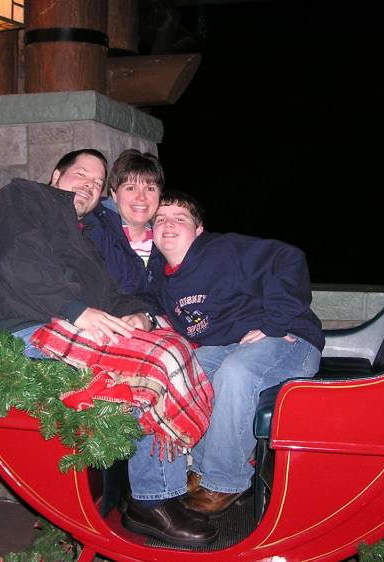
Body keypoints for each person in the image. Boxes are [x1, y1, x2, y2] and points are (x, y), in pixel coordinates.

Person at [0, 150, 217, 546]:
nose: (88, 184)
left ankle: (163, 493)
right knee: (151, 362)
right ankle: (150, 503)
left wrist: (139, 315)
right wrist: (77, 311)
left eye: (97, 182)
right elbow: (14, 258)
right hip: (19, 329)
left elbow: (107, 291)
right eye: (81, 174)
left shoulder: (76, 235)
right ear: (55, 175)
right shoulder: (22, 198)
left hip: (57, 321)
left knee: (171, 342)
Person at [152, 190, 325, 516]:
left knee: (237, 372)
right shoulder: (164, 279)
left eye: (180, 218)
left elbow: (288, 257)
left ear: (198, 229)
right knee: (195, 368)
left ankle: (226, 481)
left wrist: (276, 322)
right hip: (232, 346)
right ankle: (201, 470)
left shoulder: (224, 250)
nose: (169, 224)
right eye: (161, 219)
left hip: (290, 341)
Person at [83, 149, 166, 312]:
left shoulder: (167, 239)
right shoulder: (94, 229)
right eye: (130, 188)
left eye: (150, 189)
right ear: (114, 193)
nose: (141, 197)